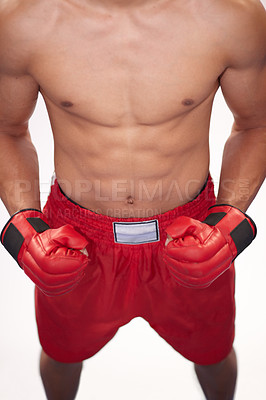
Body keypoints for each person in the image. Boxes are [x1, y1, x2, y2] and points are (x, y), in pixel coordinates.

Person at [0, 0, 265, 399]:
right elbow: (7, 129)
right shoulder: (23, 18)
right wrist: (25, 226)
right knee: (60, 354)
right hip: (74, 237)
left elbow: (257, 124)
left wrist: (229, 223)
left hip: (192, 233)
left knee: (214, 354)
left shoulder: (231, 14)